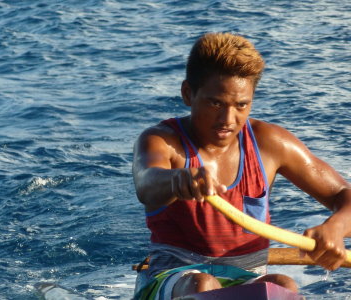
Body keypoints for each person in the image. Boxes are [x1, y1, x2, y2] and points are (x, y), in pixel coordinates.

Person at [132, 32, 351, 299]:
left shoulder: (270, 143)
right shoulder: (161, 141)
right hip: (173, 275)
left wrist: (336, 227)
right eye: (215, 103)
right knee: (203, 286)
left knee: (284, 286)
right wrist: (176, 180)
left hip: (246, 275)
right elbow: (146, 182)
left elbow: (343, 194)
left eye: (241, 105)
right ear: (188, 94)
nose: (228, 119)